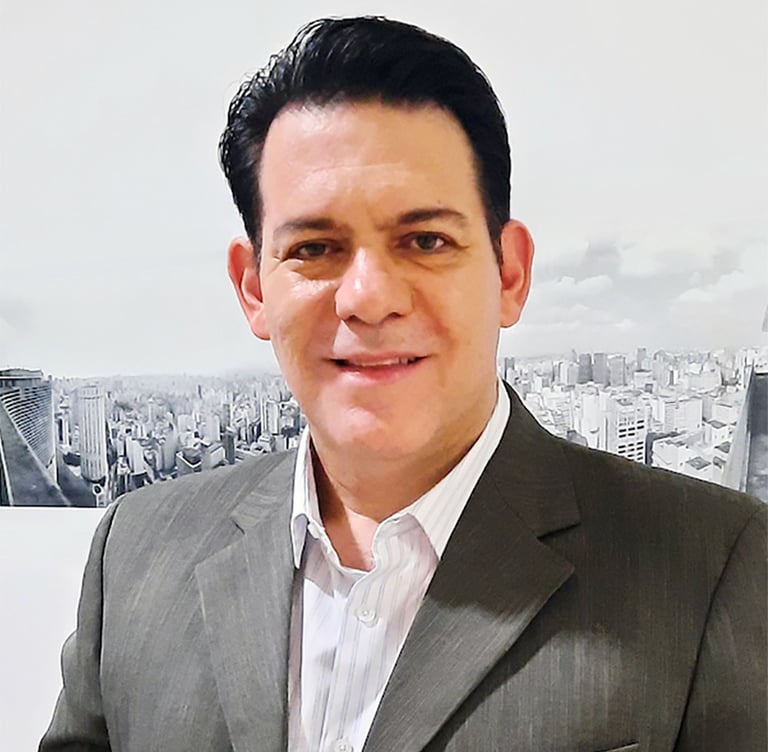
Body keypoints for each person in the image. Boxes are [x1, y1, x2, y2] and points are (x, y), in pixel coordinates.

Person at [40, 16, 765, 752]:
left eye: (425, 241)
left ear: (509, 273)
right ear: (254, 289)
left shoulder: (709, 569)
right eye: (315, 248)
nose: (368, 297)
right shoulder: (136, 555)